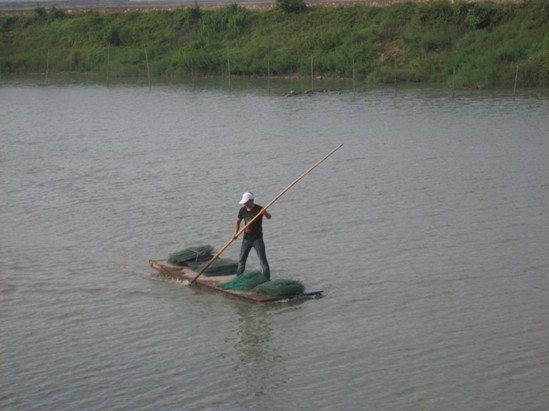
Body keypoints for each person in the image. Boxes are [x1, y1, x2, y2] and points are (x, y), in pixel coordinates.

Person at [232, 191, 271, 281]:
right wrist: (235, 233)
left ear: (251, 201)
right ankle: (238, 279)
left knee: (263, 261)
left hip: (257, 239)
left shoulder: (259, 209)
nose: (245, 204)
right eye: (244, 203)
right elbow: (238, 221)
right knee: (241, 260)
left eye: (246, 202)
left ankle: (267, 280)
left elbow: (269, 217)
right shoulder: (242, 210)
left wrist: (264, 213)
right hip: (246, 239)